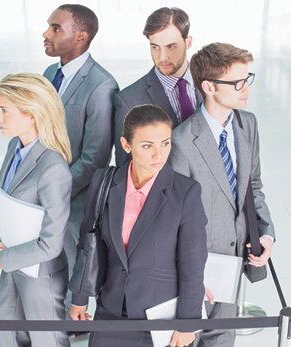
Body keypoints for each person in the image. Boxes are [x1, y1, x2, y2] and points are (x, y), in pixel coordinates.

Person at [70, 105, 208, 347]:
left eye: (165, 143)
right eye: (147, 146)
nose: (159, 154)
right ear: (126, 145)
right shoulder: (104, 182)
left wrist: (188, 322)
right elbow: (87, 242)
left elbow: (193, 265)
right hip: (110, 309)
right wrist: (79, 298)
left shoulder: (185, 193)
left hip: (159, 317)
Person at [169, 43, 276, 347]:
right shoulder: (182, 142)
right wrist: (190, 274)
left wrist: (266, 235)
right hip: (197, 266)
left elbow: (253, 186)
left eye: (247, 79)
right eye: (237, 83)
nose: (246, 89)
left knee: (222, 338)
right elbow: (174, 218)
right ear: (209, 87)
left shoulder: (248, 124)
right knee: (188, 338)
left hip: (234, 259)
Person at [0, 73, 73, 347]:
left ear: (32, 114)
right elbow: (2, 197)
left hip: (40, 274)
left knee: (47, 341)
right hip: (11, 259)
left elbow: (51, 245)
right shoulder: (15, 146)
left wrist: (5, 258)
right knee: (4, 330)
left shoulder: (53, 169)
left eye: (4, 111)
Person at [41, 4, 119, 300]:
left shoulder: (102, 85)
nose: (46, 33)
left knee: (76, 265)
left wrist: (54, 190)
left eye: (56, 28)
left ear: (81, 37)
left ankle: (77, 323)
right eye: (49, 26)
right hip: (47, 190)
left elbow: (94, 158)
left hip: (74, 199)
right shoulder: (50, 72)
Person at [113, 7, 203, 167]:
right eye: (155, 47)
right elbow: (125, 169)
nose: (162, 57)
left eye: (171, 47)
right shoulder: (128, 100)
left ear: (188, 42)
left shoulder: (211, 84)